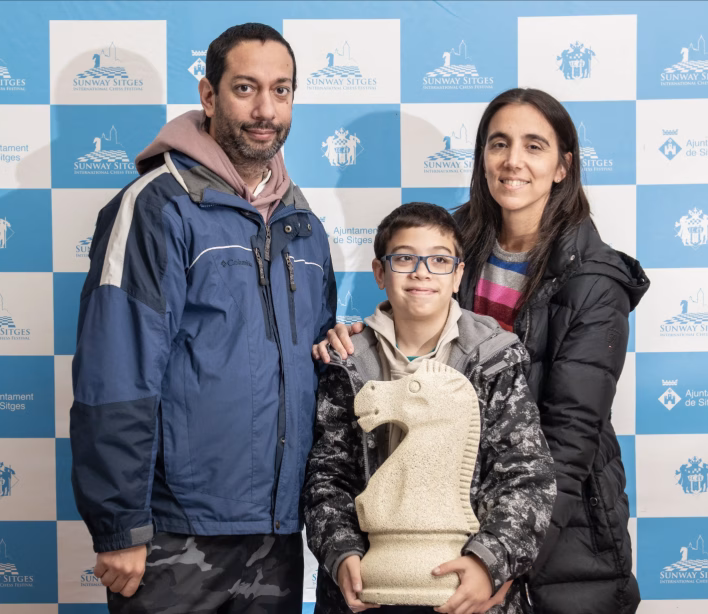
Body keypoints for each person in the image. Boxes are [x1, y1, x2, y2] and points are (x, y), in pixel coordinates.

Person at [315, 88, 647, 614]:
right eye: (499, 144)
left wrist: (503, 557)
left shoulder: (595, 281)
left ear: (563, 166)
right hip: (441, 523)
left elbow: (569, 436)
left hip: (560, 526)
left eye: (534, 146)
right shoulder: (450, 246)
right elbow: (410, 336)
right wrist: (361, 336)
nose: (513, 161)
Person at [70, 23, 336, 614]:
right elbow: (115, 375)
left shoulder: (303, 225)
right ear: (209, 96)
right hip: (172, 535)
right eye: (245, 88)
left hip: (275, 533)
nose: (266, 109)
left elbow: (312, 368)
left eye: (282, 90)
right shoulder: (156, 207)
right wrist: (120, 525)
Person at [305, 203, 556, 614]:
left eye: (439, 260)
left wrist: (488, 561)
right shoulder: (346, 361)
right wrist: (342, 552)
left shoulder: (493, 359)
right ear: (380, 273)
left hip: (467, 594)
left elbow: (526, 475)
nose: (422, 272)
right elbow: (327, 476)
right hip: (371, 593)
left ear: (458, 274)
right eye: (405, 258)